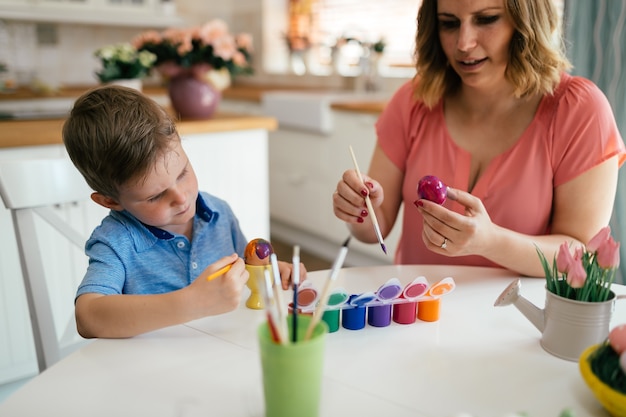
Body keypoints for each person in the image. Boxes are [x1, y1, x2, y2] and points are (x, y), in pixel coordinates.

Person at [332, 0, 626, 277]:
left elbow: (580, 254)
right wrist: (359, 210)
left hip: (521, 323)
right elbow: (375, 229)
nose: (464, 43)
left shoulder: (579, 111)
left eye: (486, 19)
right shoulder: (413, 102)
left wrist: (490, 241)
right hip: (417, 317)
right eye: (449, 23)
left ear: (527, 21)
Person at [63, 85, 304, 339]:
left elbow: (243, 273)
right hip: (150, 371)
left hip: (224, 354)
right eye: (155, 196)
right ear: (111, 201)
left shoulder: (219, 213)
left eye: (182, 173)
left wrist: (266, 275)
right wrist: (191, 303)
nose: (181, 198)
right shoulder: (116, 242)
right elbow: (87, 318)